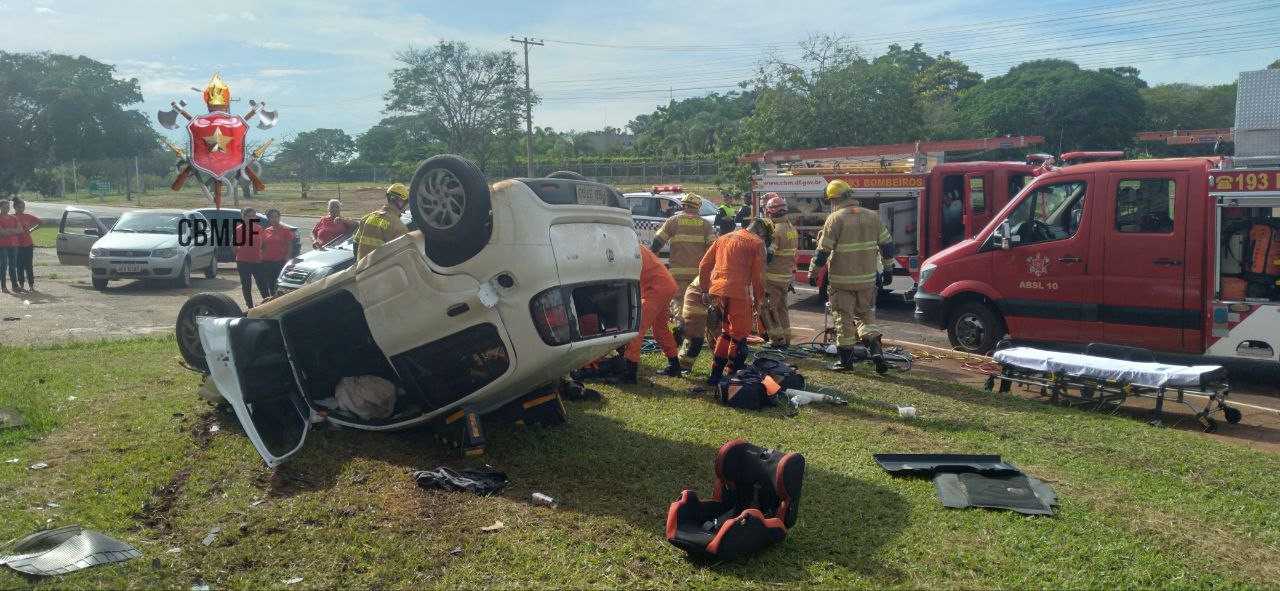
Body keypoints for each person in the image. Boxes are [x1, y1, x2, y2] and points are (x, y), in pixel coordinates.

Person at [808, 179, 895, 374]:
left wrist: (813, 273)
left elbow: (823, 251)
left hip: (842, 281)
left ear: (834, 199)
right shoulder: (872, 216)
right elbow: (887, 245)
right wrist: (888, 270)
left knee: (843, 320)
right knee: (865, 316)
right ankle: (875, 349)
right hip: (867, 280)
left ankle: (846, 363)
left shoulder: (835, 219)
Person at [697, 217, 769, 385]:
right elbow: (758, 277)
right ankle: (733, 377)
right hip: (738, 292)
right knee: (739, 335)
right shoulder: (756, 243)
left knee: (726, 332)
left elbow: (704, 265)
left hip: (718, 292)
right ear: (761, 231)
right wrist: (760, 300)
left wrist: (705, 290)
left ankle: (715, 375)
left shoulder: (723, 238)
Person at [649, 193, 715, 340]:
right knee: (697, 303)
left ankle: (682, 326)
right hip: (698, 275)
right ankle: (700, 333)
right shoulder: (705, 225)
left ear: (683, 206)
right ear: (698, 207)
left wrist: (652, 258)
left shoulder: (673, 221)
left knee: (679, 301)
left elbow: (658, 241)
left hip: (677, 272)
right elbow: (713, 248)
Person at [619, 244, 682, 383]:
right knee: (660, 329)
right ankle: (675, 366)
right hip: (666, 285)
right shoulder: (634, 245)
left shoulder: (625, 248)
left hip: (656, 288)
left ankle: (630, 373)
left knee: (637, 328)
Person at [760, 194, 797, 348]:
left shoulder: (775, 230)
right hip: (785, 277)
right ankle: (786, 339)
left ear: (771, 212)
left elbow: (769, 254)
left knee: (768, 308)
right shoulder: (791, 228)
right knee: (782, 309)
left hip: (772, 277)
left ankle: (777, 340)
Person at [353, 183, 410, 260]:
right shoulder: (398, 226)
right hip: (382, 271)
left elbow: (356, 245)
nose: (406, 206)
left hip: (363, 270)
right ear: (399, 200)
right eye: (406, 202)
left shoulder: (366, 218)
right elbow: (401, 257)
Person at [675, 275, 721, 372]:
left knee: (720, 335)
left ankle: (722, 364)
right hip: (699, 293)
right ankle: (683, 365)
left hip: (715, 294)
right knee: (695, 337)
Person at [233, 207, 269, 308]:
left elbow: (265, 244)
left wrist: (263, 255)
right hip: (243, 261)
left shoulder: (259, 228)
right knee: (246, 285)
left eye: (253, 216)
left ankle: (267, 304)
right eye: (249, 216)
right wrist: (238, 253)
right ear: (243, 217)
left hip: (258, 260)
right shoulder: (239, 229)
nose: (251, 218)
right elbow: (233, 244)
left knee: (262, 284)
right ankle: (250, 306)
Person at [260, 208, 295, 297]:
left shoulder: (285, 230)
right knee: (270, 284)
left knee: (279, 284)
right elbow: (262, 245)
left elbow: (290, 247)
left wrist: (286, 259)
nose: (274, 219)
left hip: (280, 262)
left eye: (276, 217)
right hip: (267, 262)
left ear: (279, 217)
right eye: (272, 217)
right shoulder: (266, 230)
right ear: (268, 219)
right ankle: (272, 300)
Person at [11, 199, 39, 292]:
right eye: (19, 207)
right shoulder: (12, 217)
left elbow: (40, 222)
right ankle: (21, 284)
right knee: (19, 265)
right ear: (15, 207)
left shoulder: (27, 216)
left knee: (28, 265)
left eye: (23, 207)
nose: (21, 209)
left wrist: (32, 230)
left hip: (28, 244)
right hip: (16, 245)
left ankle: (31, 285)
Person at [0, 200, 19, 294]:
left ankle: (15, 285)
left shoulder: (13, 218)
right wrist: (13, 231)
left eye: (8, 207)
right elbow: (1, 232)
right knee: (3, 266)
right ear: (0, 208)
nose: (6, 209)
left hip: (13, 244)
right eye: (4, 207)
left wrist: (7, 230)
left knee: (13, 266)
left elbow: (20, 230)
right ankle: (3, 286)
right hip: (2, 245)